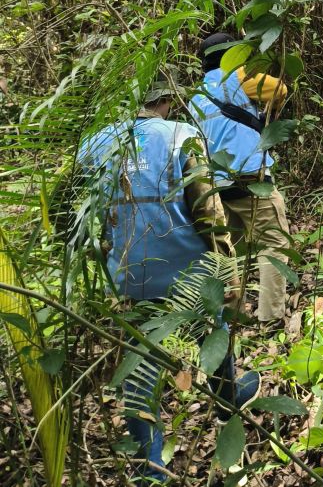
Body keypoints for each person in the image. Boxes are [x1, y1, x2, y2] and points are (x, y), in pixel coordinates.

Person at [77, 76, 258, 484]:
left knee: (140, 370)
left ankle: (150, 469)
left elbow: (66, 216)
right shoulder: (181, 135)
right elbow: (207, 209)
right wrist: (226, 267)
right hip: (188, 271)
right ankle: (229, 403)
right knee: (213, 334)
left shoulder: (95, 143)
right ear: (165, 102)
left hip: (129, 276)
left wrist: (100, 253)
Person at [188, 32, 292, 324]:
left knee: (233, 253)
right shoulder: (237, 77)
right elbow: (280, 90)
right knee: (274, 244)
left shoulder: (196, 95)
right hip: (250, 178)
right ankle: (270, 319)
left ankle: (233, 319)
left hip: (215, 186)